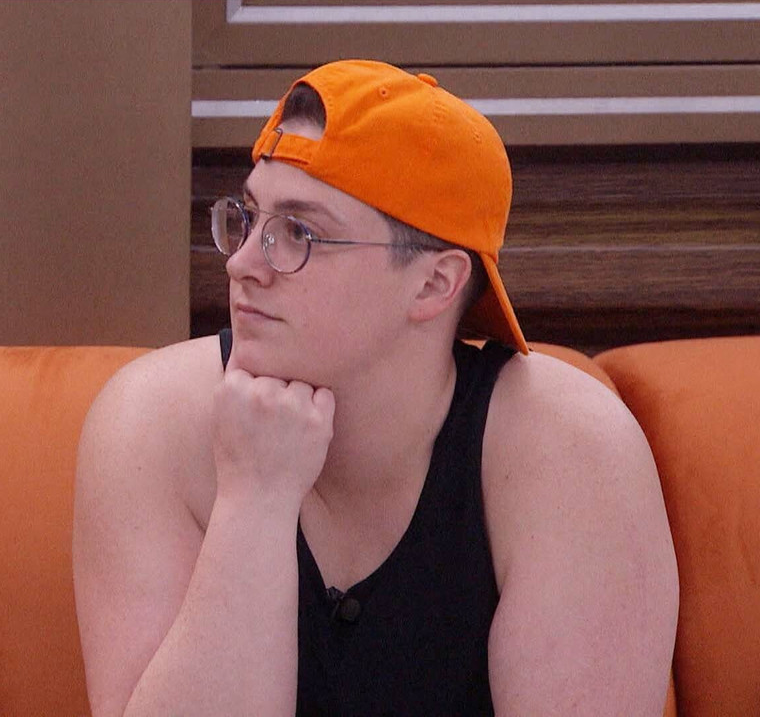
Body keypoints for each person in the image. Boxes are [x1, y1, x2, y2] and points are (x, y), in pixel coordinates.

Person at [72, 59, 678, 716]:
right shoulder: (150, 421)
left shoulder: (570, 449)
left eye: (298, 233)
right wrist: (254, 501)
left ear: (434, 284)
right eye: (247, 218)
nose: (242, 264)